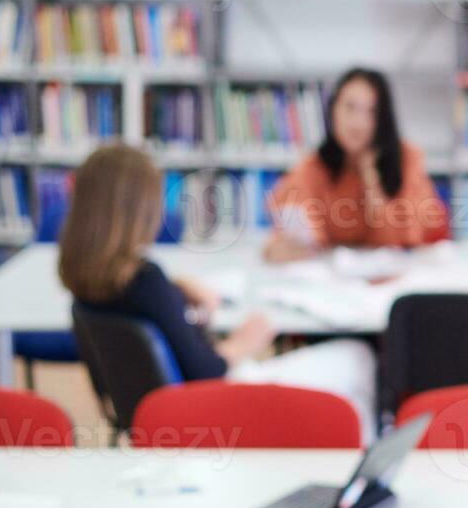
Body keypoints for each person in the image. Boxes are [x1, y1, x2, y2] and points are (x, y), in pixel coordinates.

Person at [59, 144, 378, 440]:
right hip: (211, 404)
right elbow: (206, 369)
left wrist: (177, 287)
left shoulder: (88, 276)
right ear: (137, 211)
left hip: (159, 414)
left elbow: (150, 303)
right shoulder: (146, 281)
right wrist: (245, 341)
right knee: (358, 357)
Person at [264, 67, 448, 262]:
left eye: (371, 111)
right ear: (332, 110)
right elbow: (295, 231)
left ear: (382, 120)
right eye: (350, 107)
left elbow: (399, 241)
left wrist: (370, 177)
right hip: (338, 280)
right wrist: (279, 248)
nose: (358, 122)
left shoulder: (407, 160)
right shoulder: (314, 167)